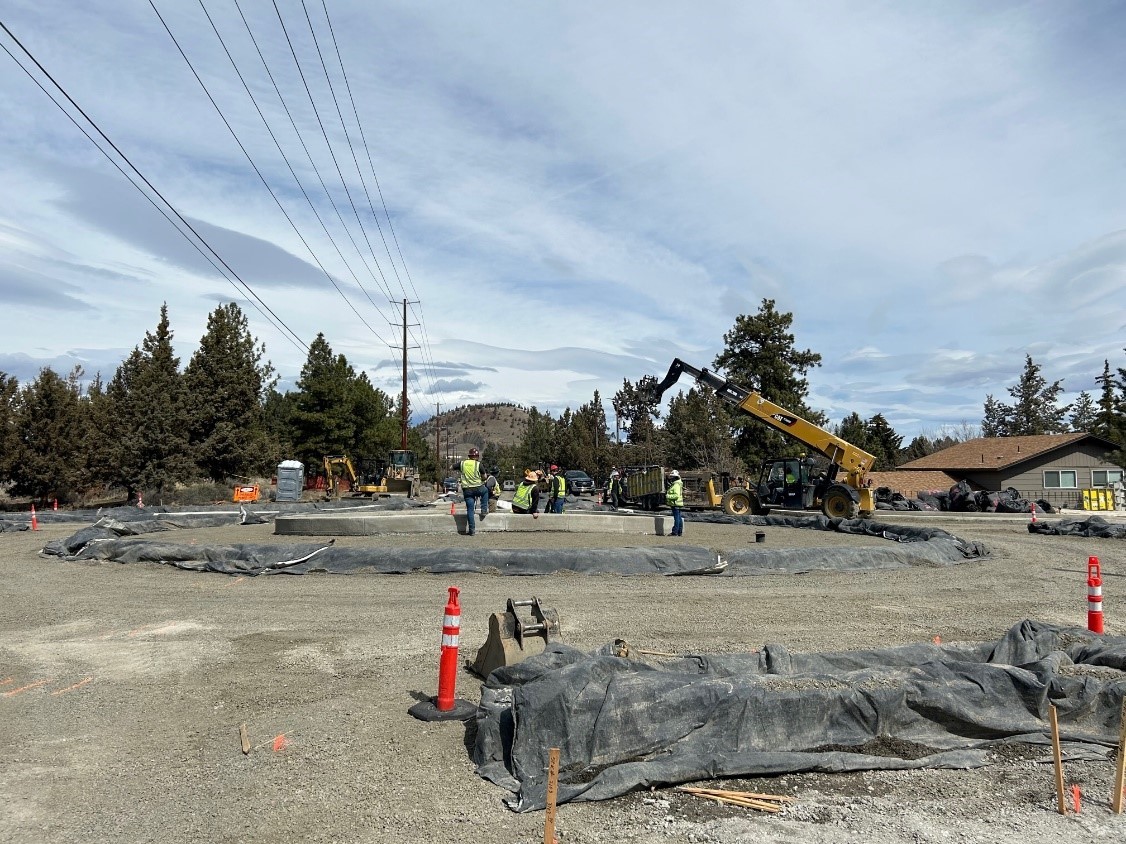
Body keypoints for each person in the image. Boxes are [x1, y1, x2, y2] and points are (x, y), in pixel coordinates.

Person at [458, 448, 487, 535]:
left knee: (470, 510)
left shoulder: (462, 463)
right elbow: (484, 476)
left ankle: (472, 530)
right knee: (485, 491)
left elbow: (452, 467)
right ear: (477, 456)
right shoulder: (478, 464)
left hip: (467, 490)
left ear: (469, 456)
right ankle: (484, 509)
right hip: (478, 487)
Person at [665, 469, 684, 537]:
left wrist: (668, 496)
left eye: (672, 477)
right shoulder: (678, 484)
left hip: (675, 503)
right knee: (679, 518)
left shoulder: (676, 485)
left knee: (677, 518)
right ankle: (679, 532)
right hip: (677, 503)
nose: (671, 478)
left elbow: (676, 495)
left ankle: (675, 532)